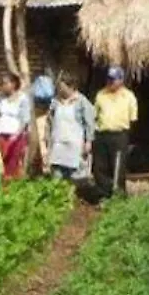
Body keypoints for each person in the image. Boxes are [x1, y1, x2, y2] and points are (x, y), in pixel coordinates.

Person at [93, 66, 138, 198]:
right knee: (100, 167)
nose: (110, 82)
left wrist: (126, 137)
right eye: (109, 79)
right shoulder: (101, 95)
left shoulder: (129, 96)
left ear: (121, 80)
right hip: (102, 135)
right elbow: (95, 115)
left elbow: (133, 119)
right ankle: (104, 194)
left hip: (119, 135)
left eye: (113, 79)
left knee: (118, 166)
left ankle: (118, 196)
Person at [46, 72, 96, 180]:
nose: (60, 90)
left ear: (72, 87)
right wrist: (48, 139)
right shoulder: (55, 102)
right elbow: (50, 121)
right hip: (58, 146)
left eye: (63, 87)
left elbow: (90, 123)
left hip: (75, 147)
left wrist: (88, 141)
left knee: (76, 178)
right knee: (57, 177)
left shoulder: (82, 102)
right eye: (59, 87)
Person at [0, 72, 31, 180]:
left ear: (13, 84)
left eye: (5, 83)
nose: (2, 85)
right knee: (0, 164)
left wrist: (16, 135)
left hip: (15, 137)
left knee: (13, 164)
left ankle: (13, 189)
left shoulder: (23, 99)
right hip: (1, 135)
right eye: (2, 83)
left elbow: (25, 119)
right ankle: (2, 189)